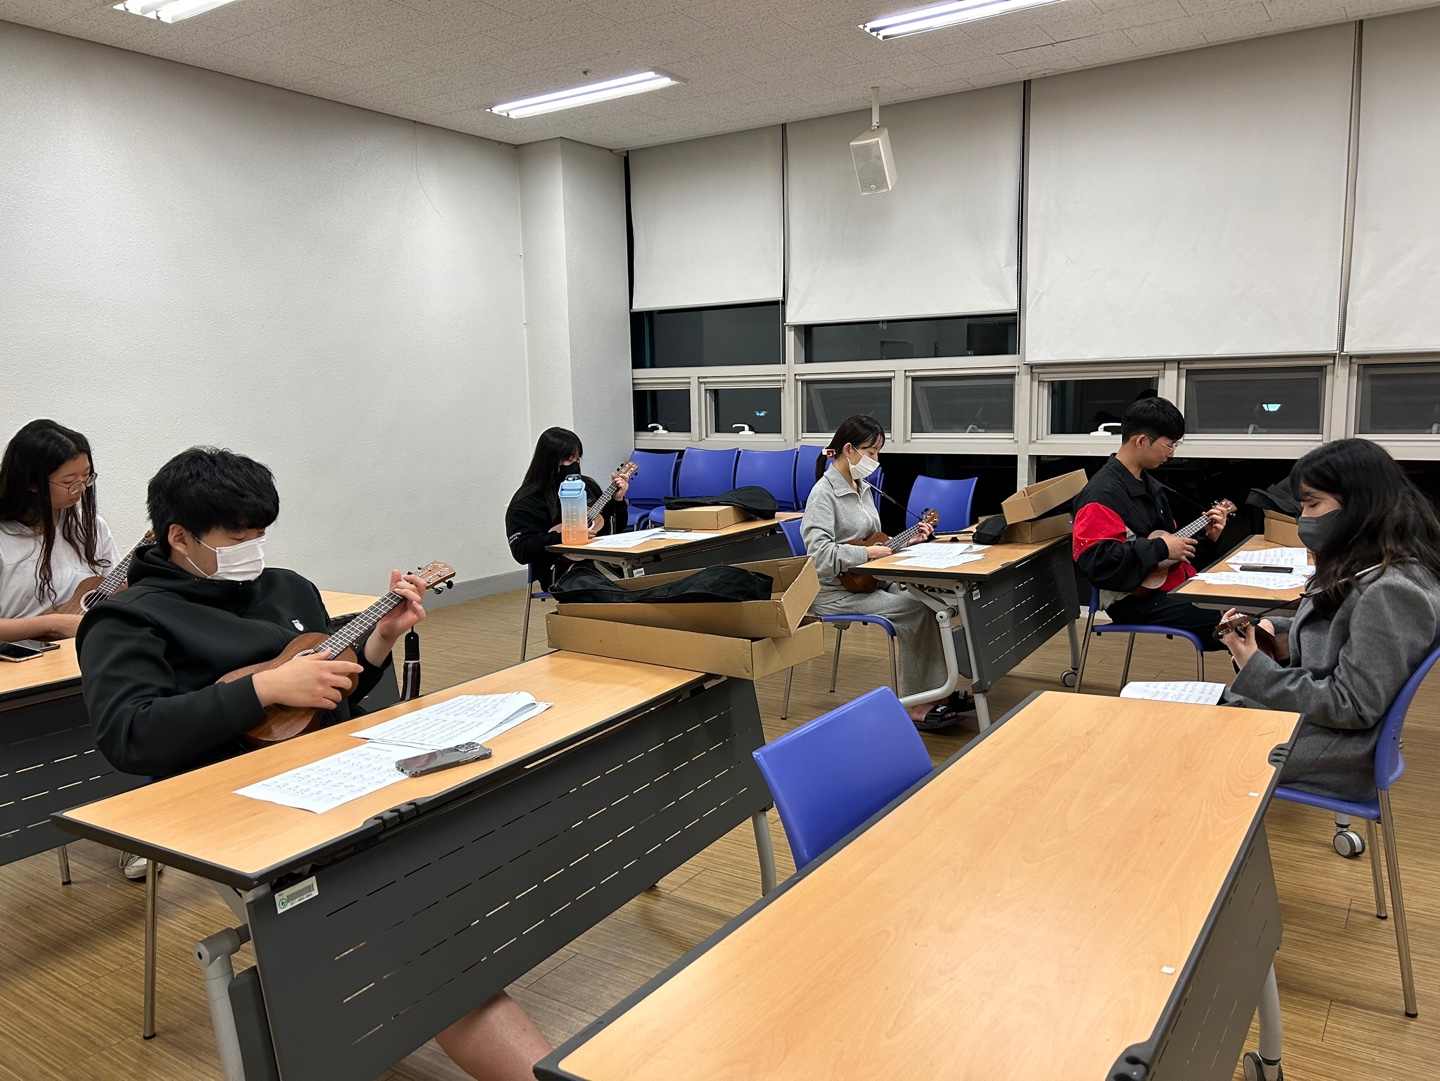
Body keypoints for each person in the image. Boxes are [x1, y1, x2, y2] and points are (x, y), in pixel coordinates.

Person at [77, 445, 552, 1079]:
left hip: (343, 776)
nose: (252, 549)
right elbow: (128, 735)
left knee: (482, 827)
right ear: (179, 536)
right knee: (423, 941)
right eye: (236, 538)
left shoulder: (286, 587)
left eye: (260, 534)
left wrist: (378, 641)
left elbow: (332, 693)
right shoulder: (128, 619)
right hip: (239, 811)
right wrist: (261, 689)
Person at [1221, 439, 1440, 802]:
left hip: (1333, 746)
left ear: (1359, 504)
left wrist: (1253, 666)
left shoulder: (1392, 591)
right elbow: (1341, 626)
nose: (1303, 518)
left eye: (1313, 504)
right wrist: (1275, 630)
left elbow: (1351, 705)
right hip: (1319, 727)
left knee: (1177, 743)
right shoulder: (1371, 561)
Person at [802, 414, 974, 729]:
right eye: (871, 452)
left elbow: (876, 542)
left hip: (870, 581)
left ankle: (940, 691)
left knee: (933, 603)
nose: (876, 460)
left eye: (878, 452)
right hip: (835, 592)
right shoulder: (823, 495)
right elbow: (818, 555)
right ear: (849, 449)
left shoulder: (863, 487)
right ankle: (917, 705)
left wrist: (908, 541)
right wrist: (866, 553)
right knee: (915, 610)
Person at [1071, 396, 1228, 648]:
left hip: (1172, 584)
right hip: (1135, 601)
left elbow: (1169, 554)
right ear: (1142, 440)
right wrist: (1161, 548)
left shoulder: (1149, 485)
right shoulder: (1101, 496)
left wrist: (1207, 539)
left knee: (1245, 611)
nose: (1171, 454)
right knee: (1234, 623)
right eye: (1168, 445)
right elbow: (1097, 561)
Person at [0, 419, 120, 642]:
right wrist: (55, 624)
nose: (82, 489)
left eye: (86, 476)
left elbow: (113, 590)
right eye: (69, 481)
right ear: (32, 483)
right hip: (16, 656)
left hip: (81, 650)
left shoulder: (91, 526)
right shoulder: (4, 537)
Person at [505, 427, 630, 591]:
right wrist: (566, 537)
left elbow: (614, 528)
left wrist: (618, 501)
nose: (575, 465)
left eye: (578, 459)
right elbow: (522, 550)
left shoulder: (587, 486)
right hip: (563, 573)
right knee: (607, 588)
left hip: (602, 561)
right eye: (570, 460)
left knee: (643, 575)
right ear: (550, 461)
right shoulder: (527, 502)